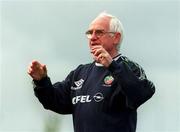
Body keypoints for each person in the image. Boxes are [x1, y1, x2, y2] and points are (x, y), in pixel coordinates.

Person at [27, 12, 155, 132]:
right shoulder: (79, 73)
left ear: (116, 38)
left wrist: (112, 66)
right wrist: (41, 81)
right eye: (90, 33)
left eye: (99, 32)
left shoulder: (129, 68)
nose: (92, 38)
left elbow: (141, 93)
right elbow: (54, 101)